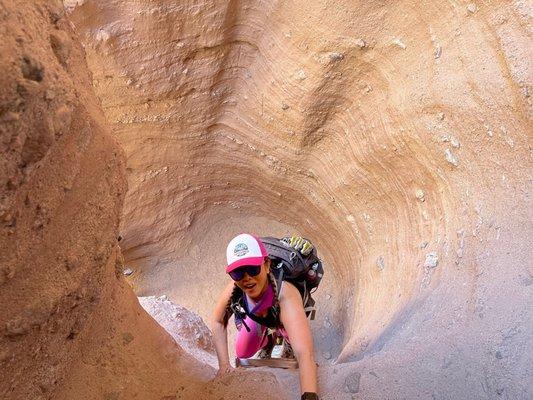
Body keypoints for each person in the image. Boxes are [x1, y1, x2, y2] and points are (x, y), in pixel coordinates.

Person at [211, 233, 320, 400]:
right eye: (238, 272)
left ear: (267, 265)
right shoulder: (235, 286)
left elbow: (305, 354)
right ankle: (269, 340)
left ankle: (283, 335)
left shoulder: (286, 295)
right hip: (260, 317)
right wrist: (224, 366)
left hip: (283, 316)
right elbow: (218, 321)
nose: (247, 278)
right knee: (243, 352)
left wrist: (309, 396)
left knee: (294, 339)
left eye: (253, 269)